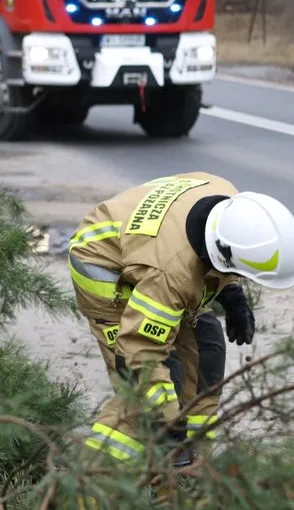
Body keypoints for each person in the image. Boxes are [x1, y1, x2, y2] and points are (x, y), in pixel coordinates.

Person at [67, 172, 291, 468]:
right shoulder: (170, 274)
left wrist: (232, 293)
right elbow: (141, 350)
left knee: (206, 348)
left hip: (150, 251)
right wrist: (167, 421)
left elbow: (218, 257)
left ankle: (191, 459)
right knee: (146, 385)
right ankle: (93, 478)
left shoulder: (228, 202)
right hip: (104, 266)